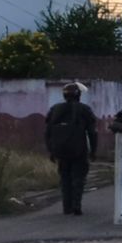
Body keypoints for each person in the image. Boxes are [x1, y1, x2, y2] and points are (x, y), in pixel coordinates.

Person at [44, 81, 97, 215]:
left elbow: (47, 132)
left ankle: (66, 207)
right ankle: (76, 205)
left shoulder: (55, 109)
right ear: (78, 95)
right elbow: (92, 132)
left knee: (65, 179)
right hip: (79, 149)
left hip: (60, 150)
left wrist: (51, 150)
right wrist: (94, 150)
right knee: (78, 178)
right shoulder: (84, 109)